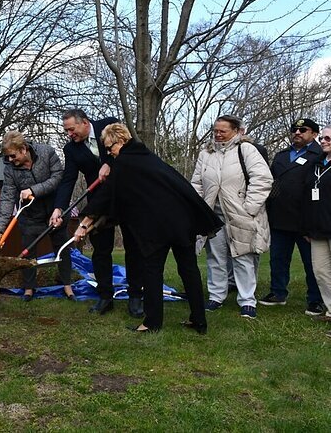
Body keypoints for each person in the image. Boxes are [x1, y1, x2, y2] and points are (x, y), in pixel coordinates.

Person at [75, 123, 222, 333]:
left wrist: (83, 225)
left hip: (158, 226)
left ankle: (152, 323)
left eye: (110, 147)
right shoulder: (147, 157)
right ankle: (199, 320)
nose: (109, 153)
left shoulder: (125, 162)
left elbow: (106, 197)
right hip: (182, 221)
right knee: (188, 269)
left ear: (122, 141)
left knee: (152, 271)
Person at [50, 109, 144, 317]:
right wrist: (59, 208)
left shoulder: (109, 125)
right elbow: (68, 180)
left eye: (71, 129)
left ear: (85, 122)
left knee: (134, 247)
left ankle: (136, 297)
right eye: (66, 131)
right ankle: (105, 297)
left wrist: (109, 164)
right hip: (99, 204)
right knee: (101, 251)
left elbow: (131, 150)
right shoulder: (71, 149)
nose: (69, 134)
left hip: (127, 196)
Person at [191, 114, 273, 319]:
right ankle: (216, 296)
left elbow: (262, 179)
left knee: (243, 257)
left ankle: (247, 301)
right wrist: (198, 207)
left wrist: (249, 207)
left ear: (236, 131)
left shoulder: (246, 150)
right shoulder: (206, 153)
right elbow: (197, 183)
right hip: (213, 216)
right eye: (215, 131)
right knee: (215, 258)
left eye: (223, 131)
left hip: (241, 214)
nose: (218, 135)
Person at [0, 131, 73, 301]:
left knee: (62, 248)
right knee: (28, 251)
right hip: (30, 214)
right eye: (7, 157)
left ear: (23, 149)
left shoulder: (46, 152)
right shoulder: (10, 169)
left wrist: (34, 190)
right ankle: (29, 289)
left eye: (13, 156)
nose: (10, 160)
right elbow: (7, 196)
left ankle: (67, 286)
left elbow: (58, 177)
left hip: (55, 210)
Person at [259, 118, 325, 316]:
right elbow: (272, 182)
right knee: (278, 259)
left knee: (311, 262)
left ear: (314, 134)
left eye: (303, 130)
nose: (297, 132)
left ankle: (316, 300)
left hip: (306, 218)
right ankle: (278, 293)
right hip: (280, 217)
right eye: (294, 129)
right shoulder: (281, 155)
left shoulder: (320, 155)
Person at [303, 125, 331, 338]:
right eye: (322, 138)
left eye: (328, 138)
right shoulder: (316, 164)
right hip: (318, 228)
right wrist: (307, 226)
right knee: (320, 271)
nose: (323, 141)